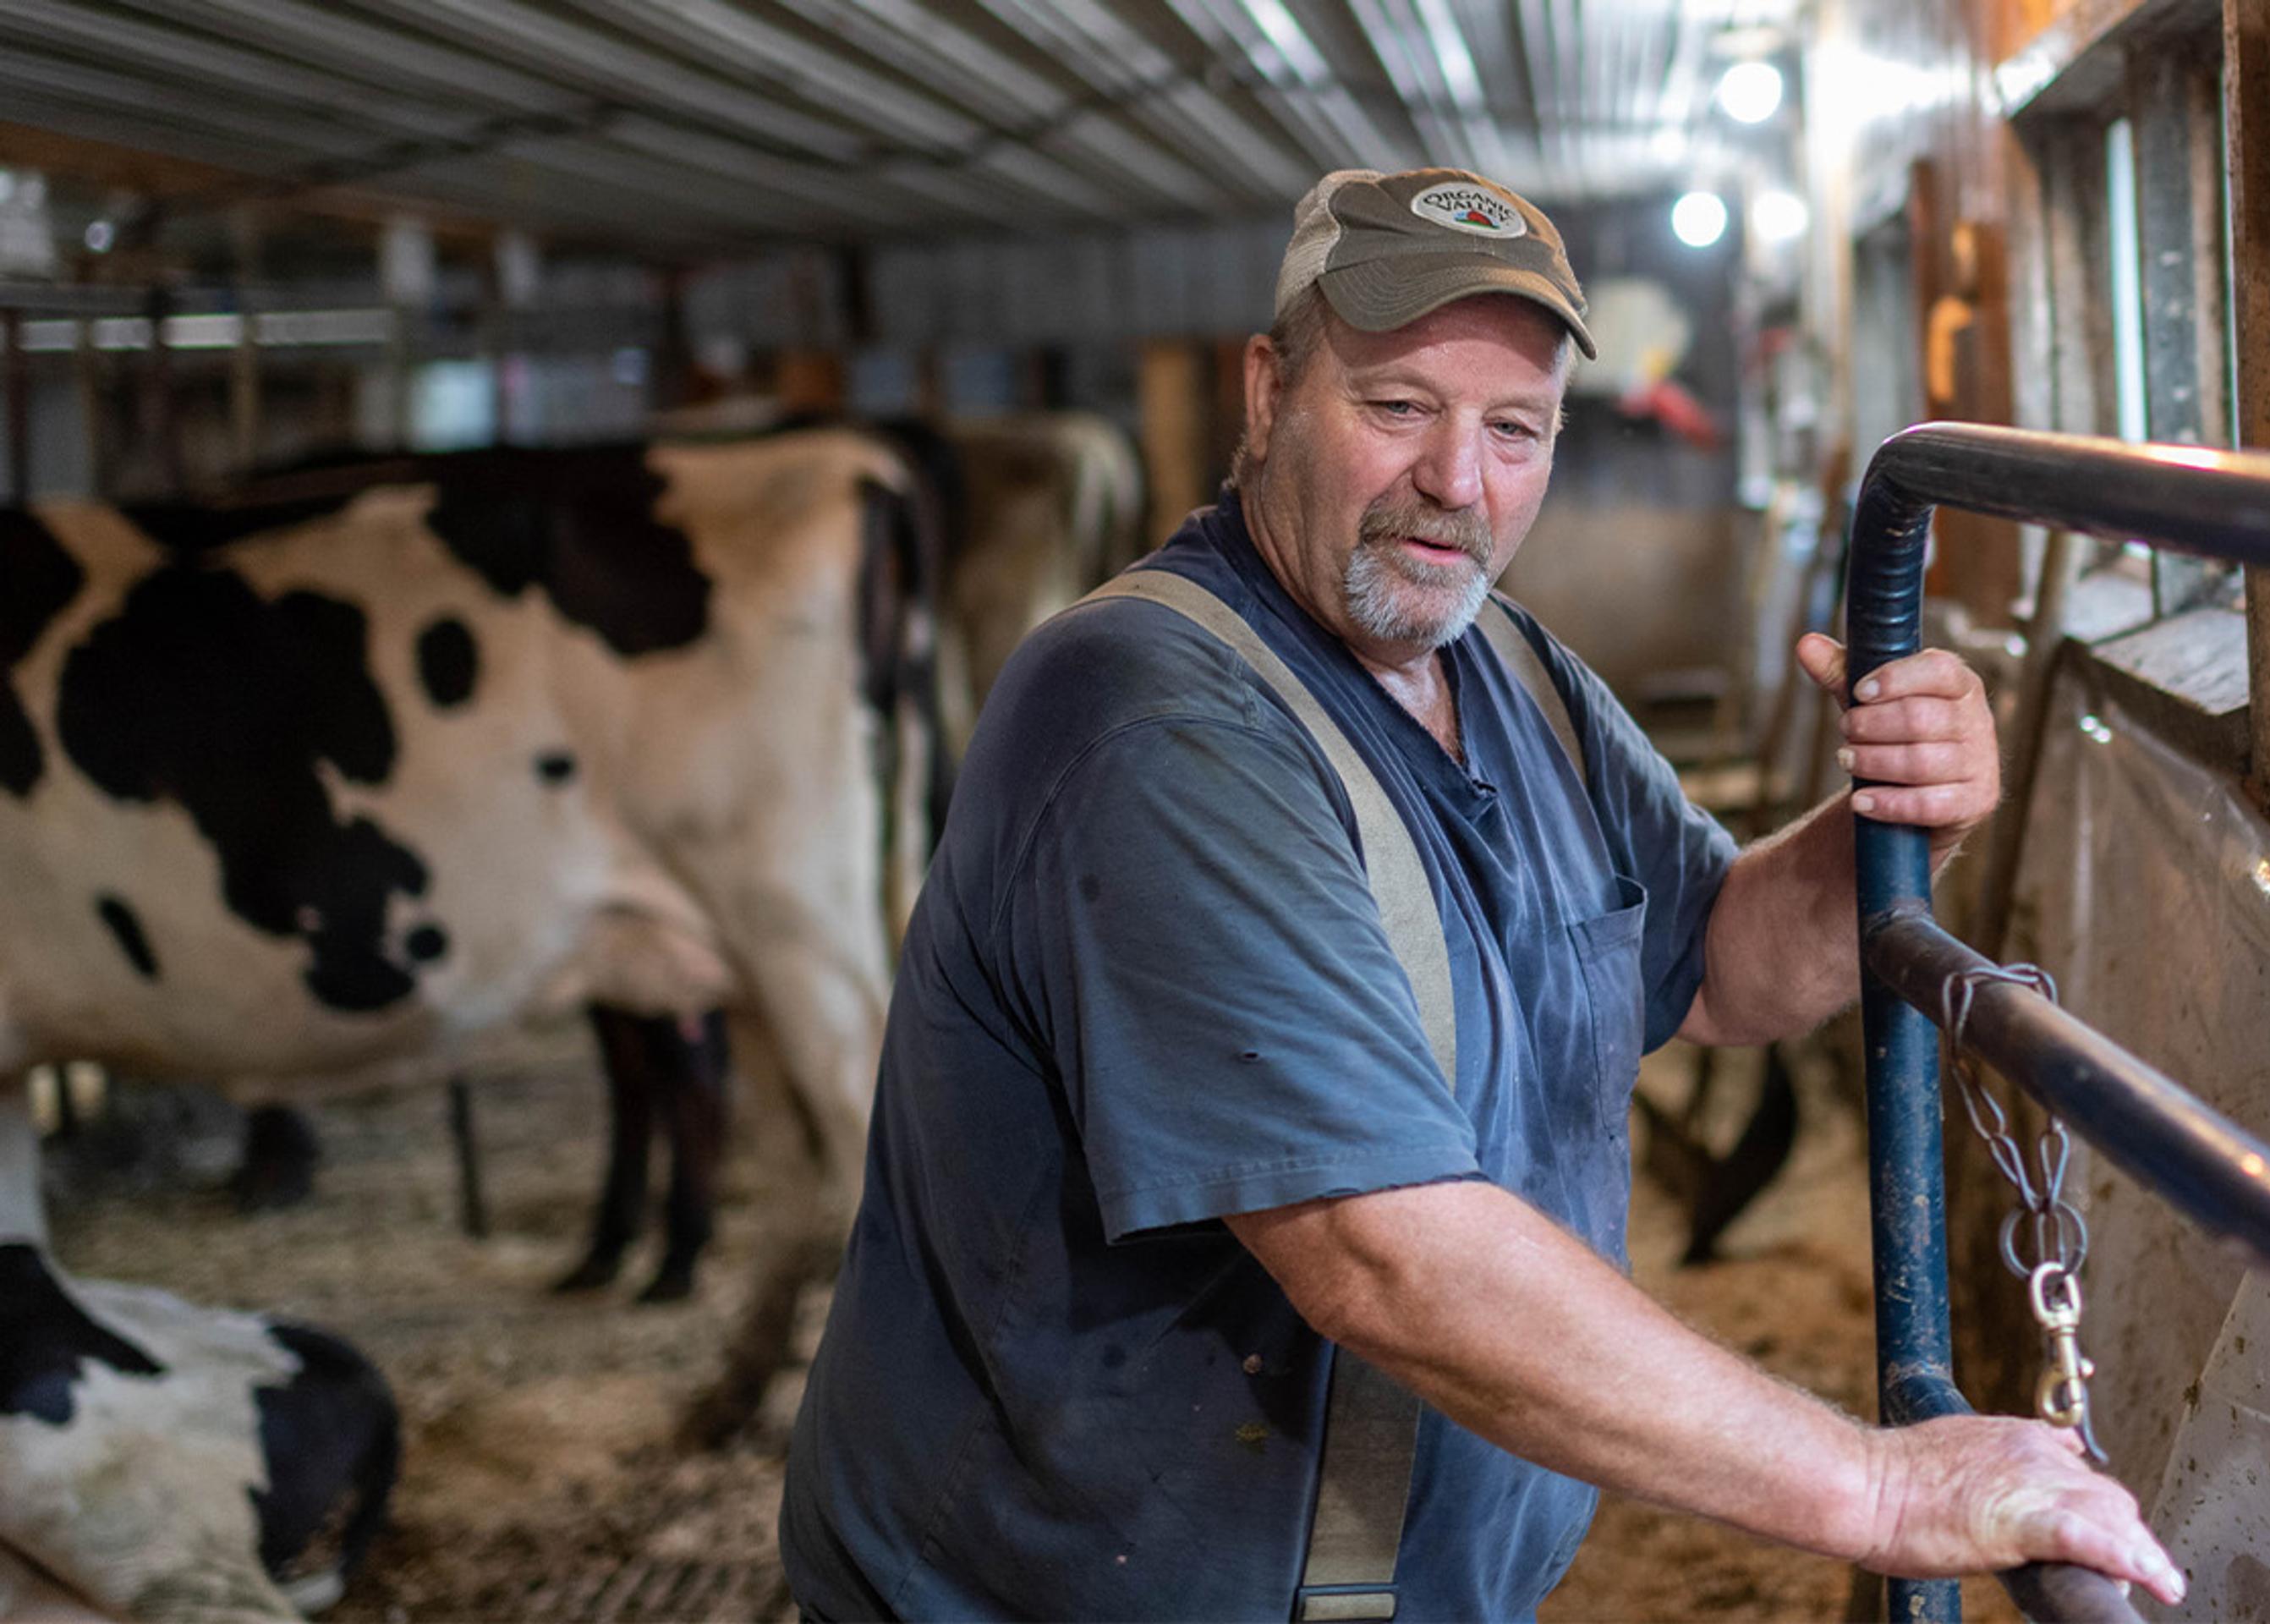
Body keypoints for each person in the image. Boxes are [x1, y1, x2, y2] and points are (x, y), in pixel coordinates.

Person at [779, 166, 2180, 1621]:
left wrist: (1895, 816)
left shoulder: (1504, 665)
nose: (1460, 479)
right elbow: (1385, 1255)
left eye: (1515, 428)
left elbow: (1721, 965)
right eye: (1396, 408)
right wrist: (1883, 1488)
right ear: (1266, 395)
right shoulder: (1155, 719)